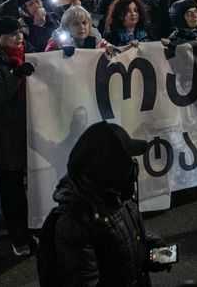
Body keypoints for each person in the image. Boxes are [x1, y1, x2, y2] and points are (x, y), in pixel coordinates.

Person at [36, 122, 157, 286]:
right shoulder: (75, 224)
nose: (133, 166)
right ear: (111, 170)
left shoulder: (119, 198)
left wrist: (155, 253)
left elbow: (128, 241)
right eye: (128, 160)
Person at [0, 17, 35, 257]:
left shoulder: (31, 55)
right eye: (12, 34)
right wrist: (17, 76)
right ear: (0, 38)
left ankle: (35, 226)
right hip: (8, 135)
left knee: (36, 183)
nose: (18, 37)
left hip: (33, 129)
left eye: (19, 32)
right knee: (12, 186)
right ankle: (18, 235)